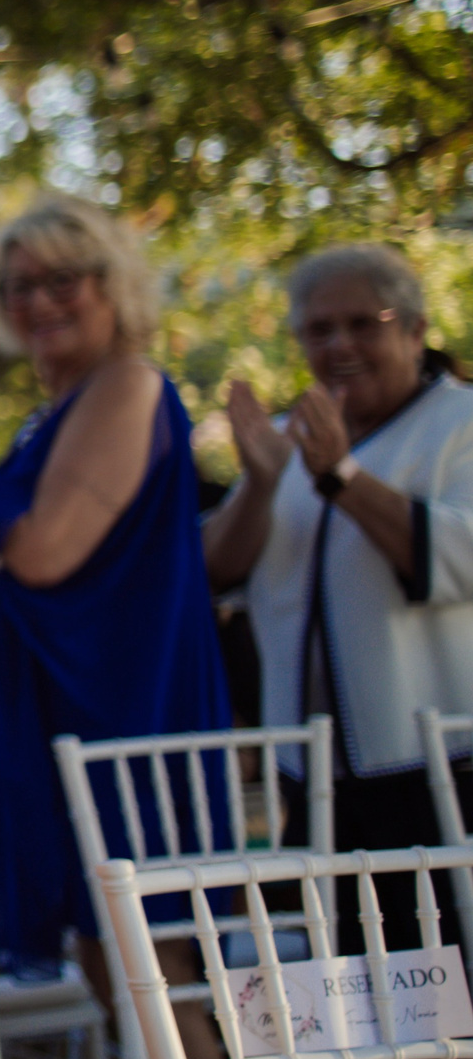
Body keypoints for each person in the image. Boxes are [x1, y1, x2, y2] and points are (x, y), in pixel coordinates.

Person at [0, 193, 232, 986]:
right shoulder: (47, 418)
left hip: (123, 709)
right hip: (58, 714)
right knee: (106, 968)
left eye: (63, 278)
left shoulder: (128, 384)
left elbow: (40, 552)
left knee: (154, 974)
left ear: (114, 284)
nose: (39, 300)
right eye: (17, 286)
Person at [205, 243, 473, 943]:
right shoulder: (293, 444)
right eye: (319, 330)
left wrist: (345, 478)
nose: (339, 345)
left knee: (453, 981)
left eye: (364, 323)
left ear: (414, 330)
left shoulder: (458, 424)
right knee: (360, 987)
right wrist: (262, 482)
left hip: (440, 773)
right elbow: (214, 568)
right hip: (316, 778)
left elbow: (461, 555)